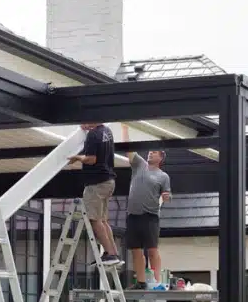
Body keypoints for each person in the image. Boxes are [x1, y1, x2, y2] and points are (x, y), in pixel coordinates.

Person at [68, 123, 122, 265]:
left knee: (94, 220)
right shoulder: (107, 131)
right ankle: (114, 253)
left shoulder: (93, 134)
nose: (81, 124)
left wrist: (78, 158)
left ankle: (110, 254)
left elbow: (92, 159)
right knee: (103, 220)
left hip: (96, 183)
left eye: (84, 121)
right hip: (108, 180)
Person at [125, 150, 171, 290]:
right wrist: (126, 128)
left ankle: (157, 282)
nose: (150, 154)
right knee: (136, 250)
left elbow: (167, 194)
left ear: (161, 158)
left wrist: (166, 197)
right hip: (133, 215)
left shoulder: (163, 176)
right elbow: (130, 151)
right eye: (150, 152)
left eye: (155, 152)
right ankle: (141, 281)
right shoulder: (139, 164)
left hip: (150, 216)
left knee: (152, 249)